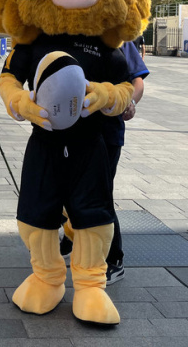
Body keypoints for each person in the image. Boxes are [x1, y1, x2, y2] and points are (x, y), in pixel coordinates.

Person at [60, 40, 148, 286]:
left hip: (107, 131)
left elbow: (137, 81)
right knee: (68, 188)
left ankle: (114, 259)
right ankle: (72, 239)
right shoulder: (70, 32)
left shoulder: (118, 38)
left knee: (100, 194)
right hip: (71, 128)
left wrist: (130, 103)